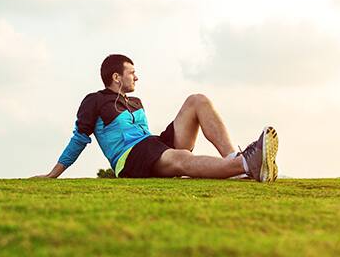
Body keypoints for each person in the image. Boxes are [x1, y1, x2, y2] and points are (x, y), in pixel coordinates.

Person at [31, 54, 278, 181]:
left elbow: (150, 141)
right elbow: (79, 139)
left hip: (152, 145)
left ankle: (234, 162)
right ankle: (247, 163)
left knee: (197, 100)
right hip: (130, 159)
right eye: (132, 73)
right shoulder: (94, 101)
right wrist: (54, 173)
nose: (136, 78)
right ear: (116, 77)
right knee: (181, 157)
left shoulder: (136, 102)